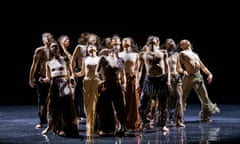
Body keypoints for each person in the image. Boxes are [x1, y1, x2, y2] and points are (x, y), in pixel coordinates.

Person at [40, 42, 79, 138]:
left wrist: (72, 79)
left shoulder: (65, 60)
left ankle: (68, 128)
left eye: (56, 46)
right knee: (54, 107)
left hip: (64, 84)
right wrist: (43, 80)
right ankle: (56, 128)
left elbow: (70, 73)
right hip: (54, 85)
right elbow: (48, 78)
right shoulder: (48, 63)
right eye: (52, 47)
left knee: (66, 107)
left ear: (59, 48)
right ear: (51, 49)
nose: (55, 48)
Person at [178, 39, 220, 122]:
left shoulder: (195, 54)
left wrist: (209, 74)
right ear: (181, 46)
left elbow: (203, 67)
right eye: (182, 42)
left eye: (185, 41)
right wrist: (183, 72)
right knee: (182, 97)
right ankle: (178, 118)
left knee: (205, 97)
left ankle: (205, 116)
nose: (184, 41)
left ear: (190, 43)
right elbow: (177, 67)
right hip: (188, 76)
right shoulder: (182, 53)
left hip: (198, 76)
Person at [137, 35, 171, 132]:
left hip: (161, 80)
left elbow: (167, 68)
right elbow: (139, 71)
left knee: (163, 104)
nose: (152, 41)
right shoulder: (142, 54)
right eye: (150, 41)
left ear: (158, 42)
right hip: (149, 80)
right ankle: (145, 122)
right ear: (147, 43)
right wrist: (138, 83)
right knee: (142, 105)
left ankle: (163, 125)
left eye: (154, 40)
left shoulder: (163, 52)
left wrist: (168, 81)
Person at [95, 47, 127, 136]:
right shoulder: (103, 59)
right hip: (106, 84)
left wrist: (124, 84)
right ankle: (106, 128)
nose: (113, 51)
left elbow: (123, 74)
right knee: (101, 107)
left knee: (120, 106)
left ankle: (123, 126)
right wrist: (100, 81)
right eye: (112, 50)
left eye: (115, 50)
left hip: (116, 84)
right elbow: (96, 72)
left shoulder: (120, 60)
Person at [29, 32, 55, 129]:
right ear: (43, 40)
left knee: (52, 100)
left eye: (50, 37)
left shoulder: (55, 50)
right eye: (46, 37)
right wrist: (30, 79)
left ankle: (52, 121)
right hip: (42, 77)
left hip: (53, 78)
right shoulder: (40, 50)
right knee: (42, 101)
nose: (48, 39)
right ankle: (42, 121)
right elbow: (34, 65)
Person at [75, 44, 100, 136]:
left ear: (96, 49)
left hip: (96, 82)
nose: (91, 48)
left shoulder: (100, 59)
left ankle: (96, 125)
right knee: (87, 104)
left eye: (93, 46)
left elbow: (102, 72)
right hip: (86, 82)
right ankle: (90, 123)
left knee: (96, 104)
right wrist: (74, 74)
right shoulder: (85, 59)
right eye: (89, 47)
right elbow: (82, 72)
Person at [119, 37, 141, 130]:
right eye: (123, 40)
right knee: (122, 101)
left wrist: (138, 82)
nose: (125, 42)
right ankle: (122, 123)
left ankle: (132, 123)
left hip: (132, 79)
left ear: (131, 42)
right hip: (121, 79)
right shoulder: (119, 54)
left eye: (126, 40)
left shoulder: (135, 55)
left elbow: (138, 69)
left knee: (133, 101)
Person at [162, 38, 185, 127]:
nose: (171, 43)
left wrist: (184, 72)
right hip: (166, 78)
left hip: (176, 77)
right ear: (165, 44)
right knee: (166, 99)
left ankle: (178, 120)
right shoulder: (163, 53)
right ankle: (165, 120)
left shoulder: (176, 54)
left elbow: (178, 67)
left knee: (179, 99)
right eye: (169, 42)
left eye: (172, 41)